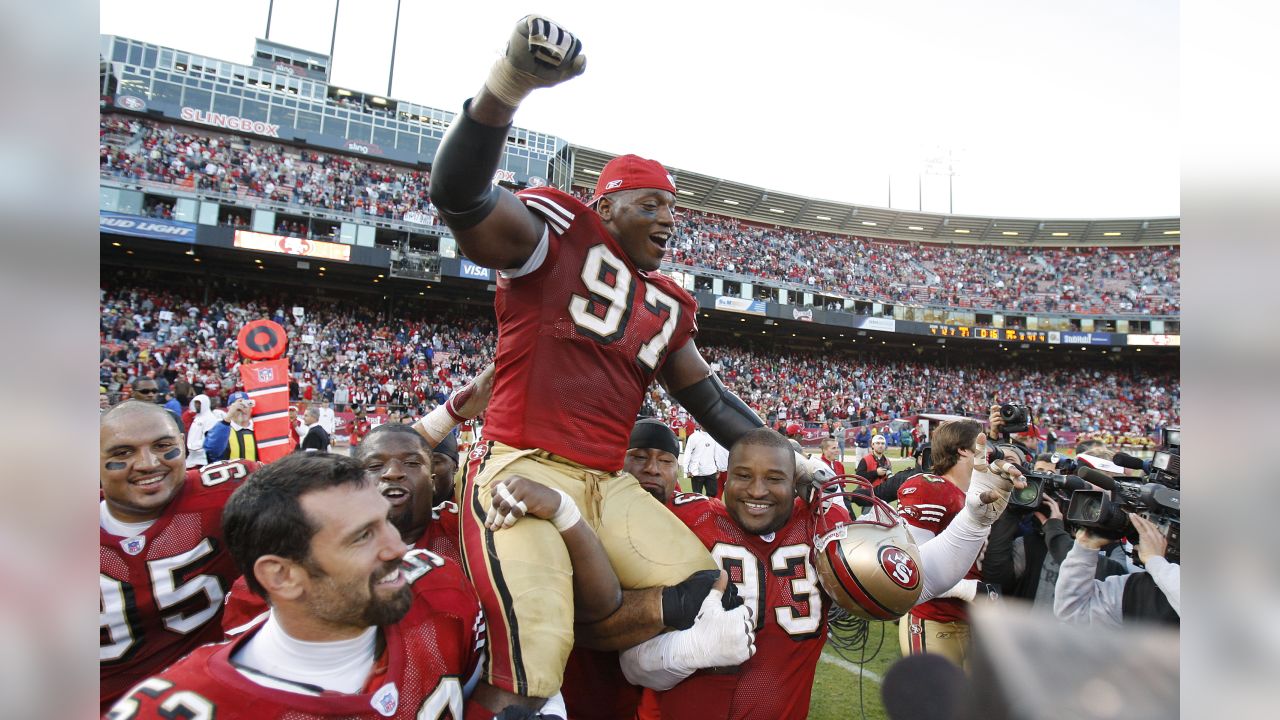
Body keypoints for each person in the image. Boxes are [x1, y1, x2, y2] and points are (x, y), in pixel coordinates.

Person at [426, 15, 836, 710]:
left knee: (707, 596)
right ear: (605, 206)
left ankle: (558, 636)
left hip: (604, 481)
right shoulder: (558, 236)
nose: (669, 219)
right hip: (519, 464)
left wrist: (790, 455)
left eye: (673, 208)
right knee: (530, 674)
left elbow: (709, 401)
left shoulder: (668, 302)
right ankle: (518, 647)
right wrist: (510, 85)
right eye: (651, 204)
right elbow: (459, 196)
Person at [105, 452, 505, 720]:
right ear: (281, 576)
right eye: (363, 536)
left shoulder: (440, 589)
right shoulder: (175, 707)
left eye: (386, 521)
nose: (398, 548)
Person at [99, 401, 258, 712]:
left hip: (207, 698)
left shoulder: (230, 492)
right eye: (122, 453)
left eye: (164, 446)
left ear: (184, 447)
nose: (147, 463)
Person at [894, 415, 1005, 668]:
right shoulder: (931, 488)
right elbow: (907, 569)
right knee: (934, 703)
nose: (988, 453)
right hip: (935, 618)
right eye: (982, 446)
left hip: (972, 619)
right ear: (963, 451)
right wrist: (968, 589)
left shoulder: (974, 494)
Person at [1055, 514, 1180, 627]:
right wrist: (1085, 547)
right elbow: (1074, 611)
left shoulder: (1161, 572)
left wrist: (1156, 563)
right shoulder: (1139, 588)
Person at [204, 390, 259, 462]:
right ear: (229, 409)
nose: (242, 409)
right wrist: (228, 417)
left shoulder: (259, 428)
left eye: (246, 404)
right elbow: (212, 451)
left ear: (251, 407)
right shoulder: (222, 429)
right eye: (238, 406)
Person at [681, 423, 721, 497]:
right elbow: (687, 454)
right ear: (700, 424)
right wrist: (686, 471)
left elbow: (716, 453)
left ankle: (709, 508)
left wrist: (718, 468)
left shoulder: (714, 437)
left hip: (711, 471)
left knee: (713, 494)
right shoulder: (693, 437)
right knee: (697, 496)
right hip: (696, 472)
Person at [184, 392, 217, 468]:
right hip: (191, 457)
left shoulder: (210, 418)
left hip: (202, 459)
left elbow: (209, 437)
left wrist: (193, 446)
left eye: (199, 403)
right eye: (196, 403)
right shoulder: (197, 417)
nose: (197, 405)